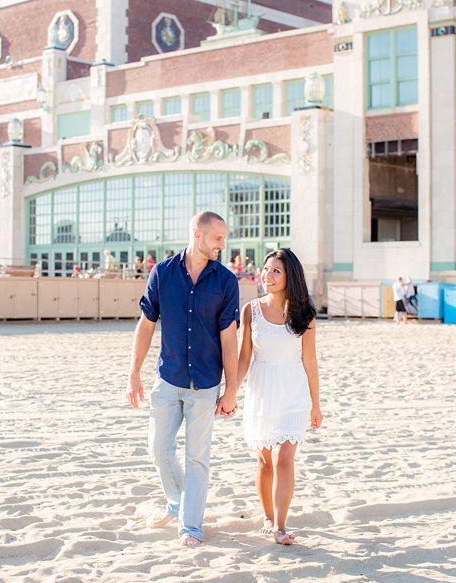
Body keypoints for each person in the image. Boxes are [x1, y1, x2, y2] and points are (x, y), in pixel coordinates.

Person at [127, 212, 241, 547]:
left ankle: (190, 526)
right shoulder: (162, 273)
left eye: (223, 237)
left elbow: (229, 337)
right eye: (217, 237)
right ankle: (177, 503)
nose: (223, 244)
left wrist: (231, 389)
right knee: (158, 450)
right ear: (198, 234)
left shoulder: (226, 281)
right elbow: (146, 324)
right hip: (168, 378)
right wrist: (133, 372)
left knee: (197, 459)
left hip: (205, 385)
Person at [229, 248, 321, 545]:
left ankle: (281, 525)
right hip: (262, 389)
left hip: (294, 391)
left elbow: (310, 361)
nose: (267, 275)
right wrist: (230, 392)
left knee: (285, 457)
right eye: (266, 269)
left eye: (276, 271)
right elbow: (244, 357)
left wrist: (316, 405)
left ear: (289, 276)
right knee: (264, 461)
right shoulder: (251, 310)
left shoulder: (304, 315)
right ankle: (268, 517)